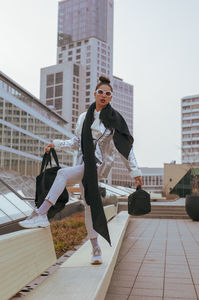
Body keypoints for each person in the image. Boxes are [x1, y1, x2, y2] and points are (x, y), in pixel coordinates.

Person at [19, 76, 143, 265]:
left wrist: (135, 172)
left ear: (111, 98)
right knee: (89, 208)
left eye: (107, 94)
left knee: (62, 174)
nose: (103, 95)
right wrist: (56, 144)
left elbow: (125, 149)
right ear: (94, 94)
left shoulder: (114, 120)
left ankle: (41, 213)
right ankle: (96, 250)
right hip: (83, 163)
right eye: (100, 92)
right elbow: (76, 142)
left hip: (98, 166)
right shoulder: (84, 117)